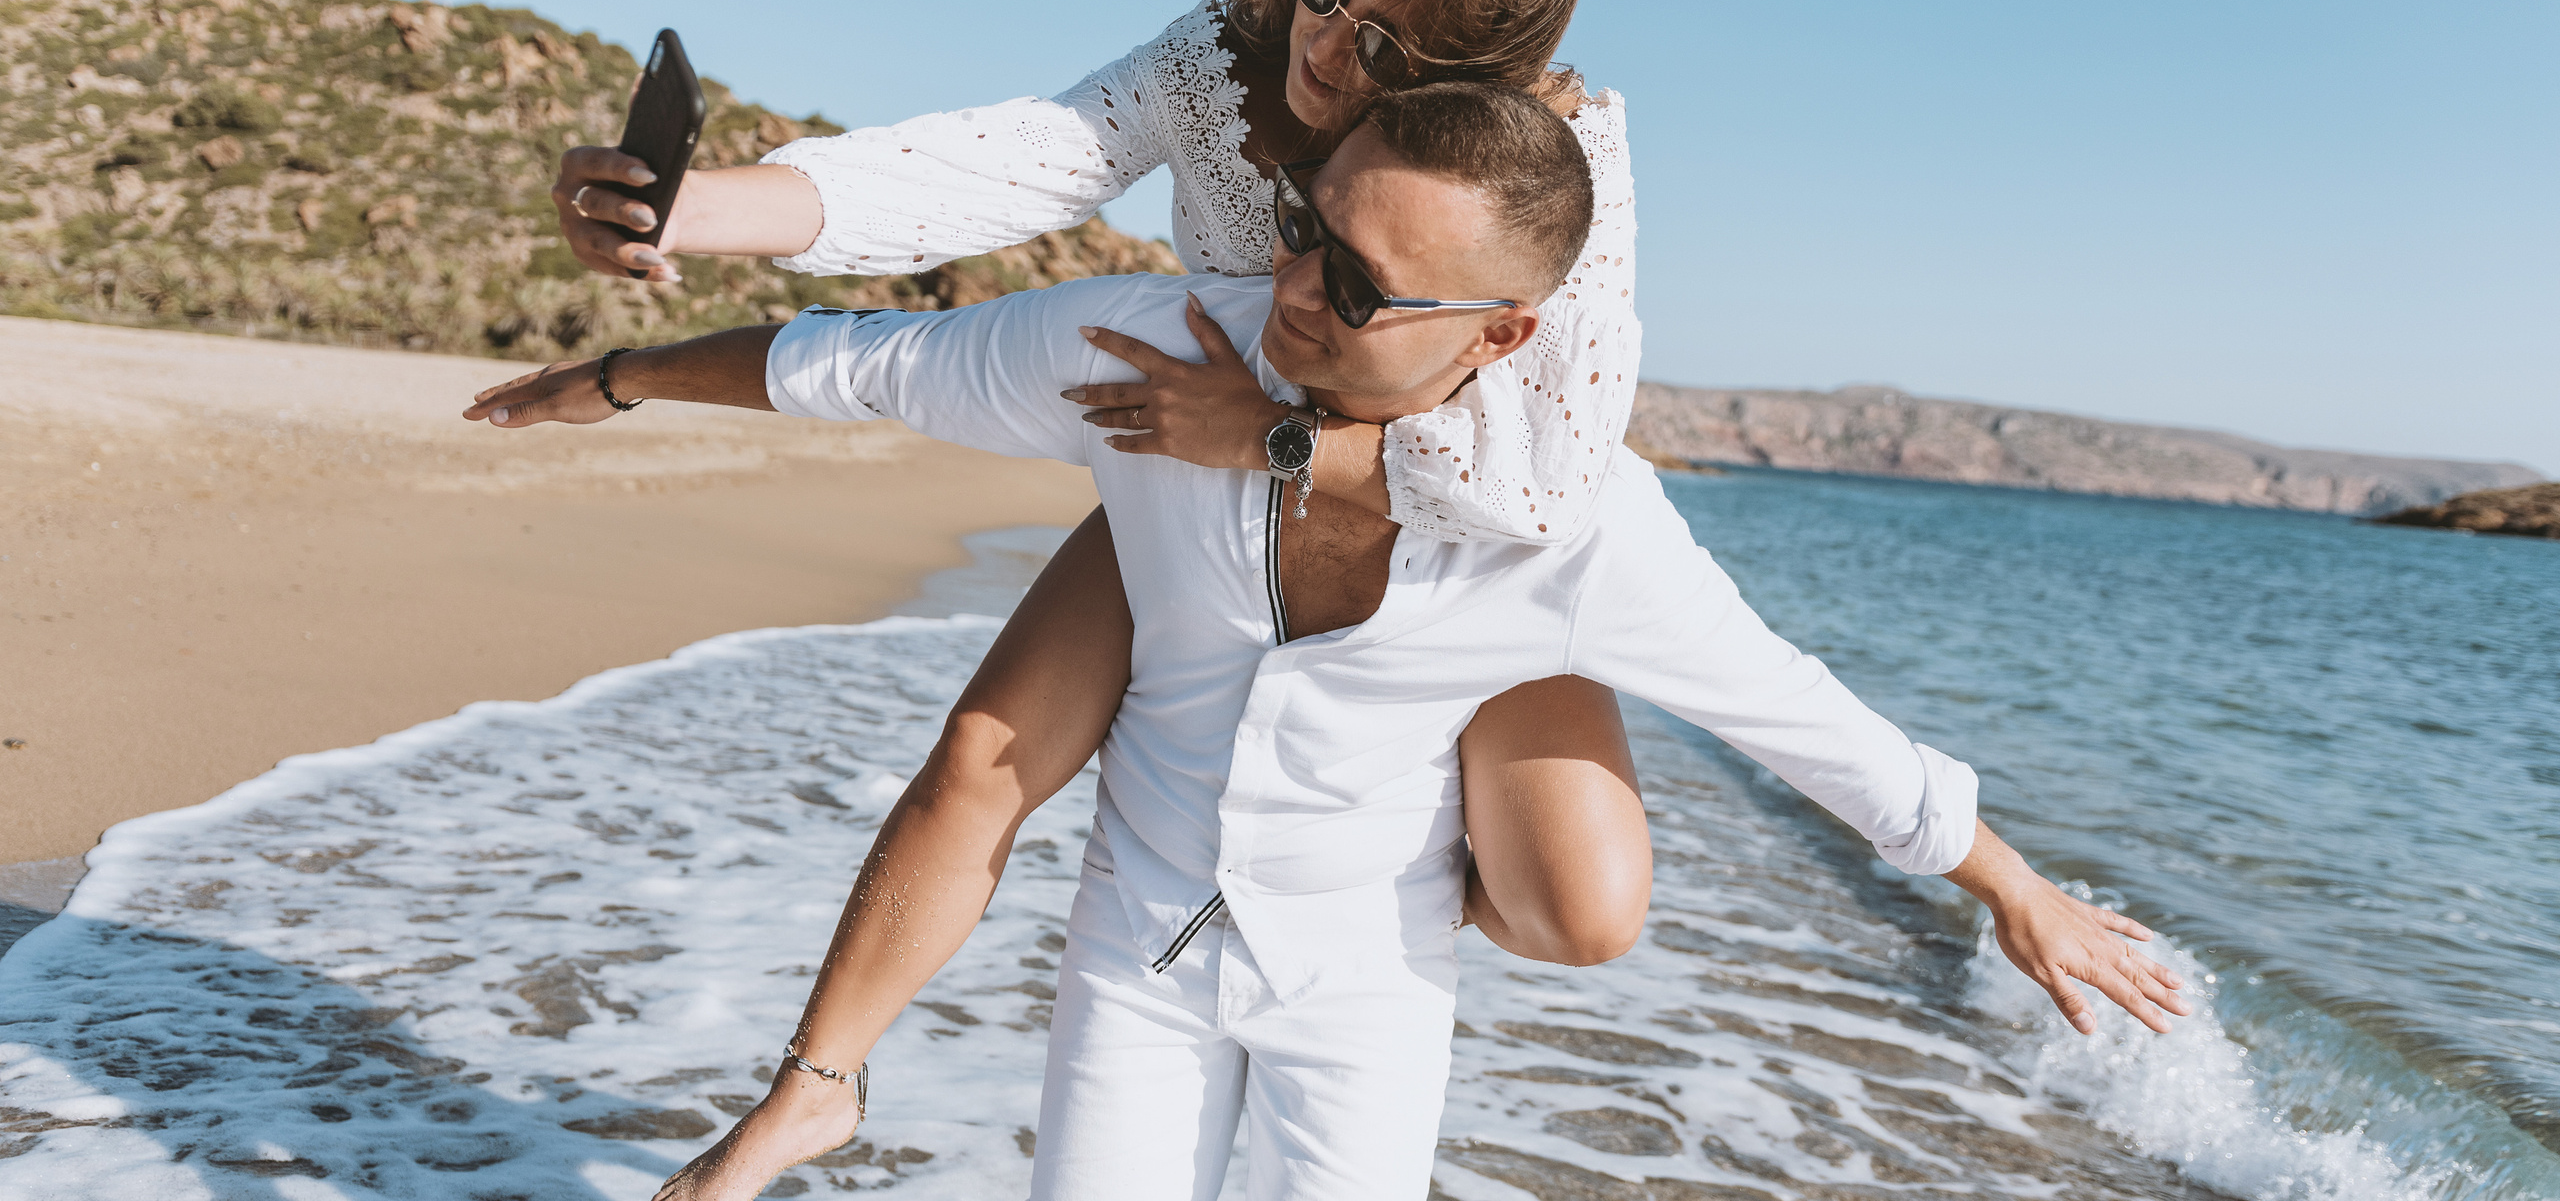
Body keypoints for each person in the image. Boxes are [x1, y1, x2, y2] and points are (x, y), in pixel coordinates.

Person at [470, 84, 2189, 1201]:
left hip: (1369, 978)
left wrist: (2015, 891)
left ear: (1502, 333)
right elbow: (850, 361)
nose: (1295, 292)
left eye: (1360, 289)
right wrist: (617, 376)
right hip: (1140, 943)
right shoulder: (1149, 349)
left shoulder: (1580, 528)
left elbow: (1810, 722)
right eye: (1305, 230)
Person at [541, 0, 1659, 961]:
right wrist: (692, 212)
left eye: (1386, 49)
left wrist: (1264, 438)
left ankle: (1371, 891)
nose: (1324, 48)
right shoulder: (1222, 58)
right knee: (981, 757)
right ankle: (806, 1097)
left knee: (1582, 915)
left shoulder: (1558, 162)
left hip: (1433, 539)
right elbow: (1009, 162)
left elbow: (1550, 483)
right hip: (1206, 488)